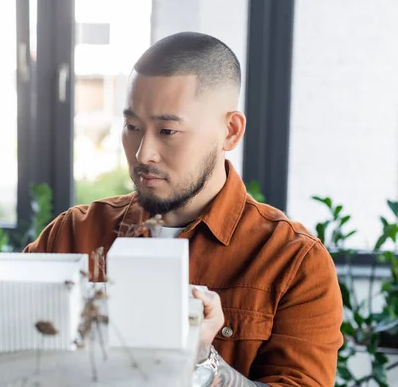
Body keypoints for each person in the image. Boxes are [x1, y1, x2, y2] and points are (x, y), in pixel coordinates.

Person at [24, 31, 343, 386]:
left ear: (231, 132)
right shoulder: (72, 234)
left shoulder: (292, 262)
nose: (143, 154)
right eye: (132, 127)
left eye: (168, 130)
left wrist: (204, 361)